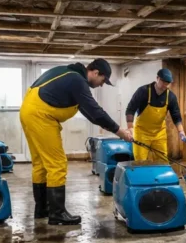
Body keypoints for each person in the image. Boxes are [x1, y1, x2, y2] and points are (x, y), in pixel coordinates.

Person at [19, 58, 132, 225]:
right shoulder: (77, 80)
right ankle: (57, 214)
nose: (101, 85)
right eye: (102, 80)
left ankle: (42, 209)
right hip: (41, 116)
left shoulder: (69, 76)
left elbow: (90, 113)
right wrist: (120, 131)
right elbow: (96, 113)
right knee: (57, 164)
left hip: (28, 112)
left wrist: (114, 129)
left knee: (40, 163)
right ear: (95, 72)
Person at [126, 68, 186, 162]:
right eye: (163, 82)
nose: (165, 85)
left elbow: (176, 115)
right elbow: (130, 109)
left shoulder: (170, 97)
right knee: (140, 161)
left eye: (167, 83)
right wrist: (130, 128)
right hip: (141, 133)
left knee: (162, 160)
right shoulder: (143, 91)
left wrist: (181, 131)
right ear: (157, 78)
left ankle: (159, 177)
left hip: (159, 133)